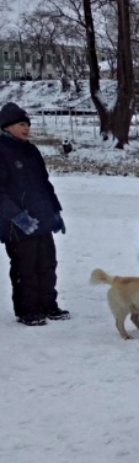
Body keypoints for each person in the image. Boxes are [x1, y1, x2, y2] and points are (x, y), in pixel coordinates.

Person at [0, 102, 69, 326]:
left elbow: (44, 185)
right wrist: (16, 216)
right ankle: (27, 310)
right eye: (21, 124)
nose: (26, 128)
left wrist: (56, 212)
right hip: (17, 224)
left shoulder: (31, 150)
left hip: (41, 219)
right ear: (6, 126)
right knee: (25, 267)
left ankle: (48, 305)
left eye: (28, 124)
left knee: (47, 264)